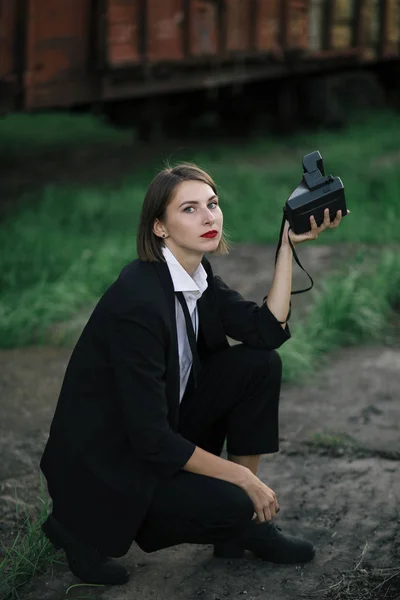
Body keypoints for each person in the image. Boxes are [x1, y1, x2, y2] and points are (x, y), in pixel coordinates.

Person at [40, 163, 346, 586]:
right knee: (233, 502)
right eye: (190, 209)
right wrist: (242, 479)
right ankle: (74, 528)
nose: (209, 217)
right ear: (160, 228)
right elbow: (148, 438)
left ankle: (246, 530)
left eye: (213, 204)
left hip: (159, 430)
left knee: (258, 366)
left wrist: (286, 244)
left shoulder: (195, 278)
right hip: (111, 462)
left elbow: (266, 331)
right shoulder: (139, 302)